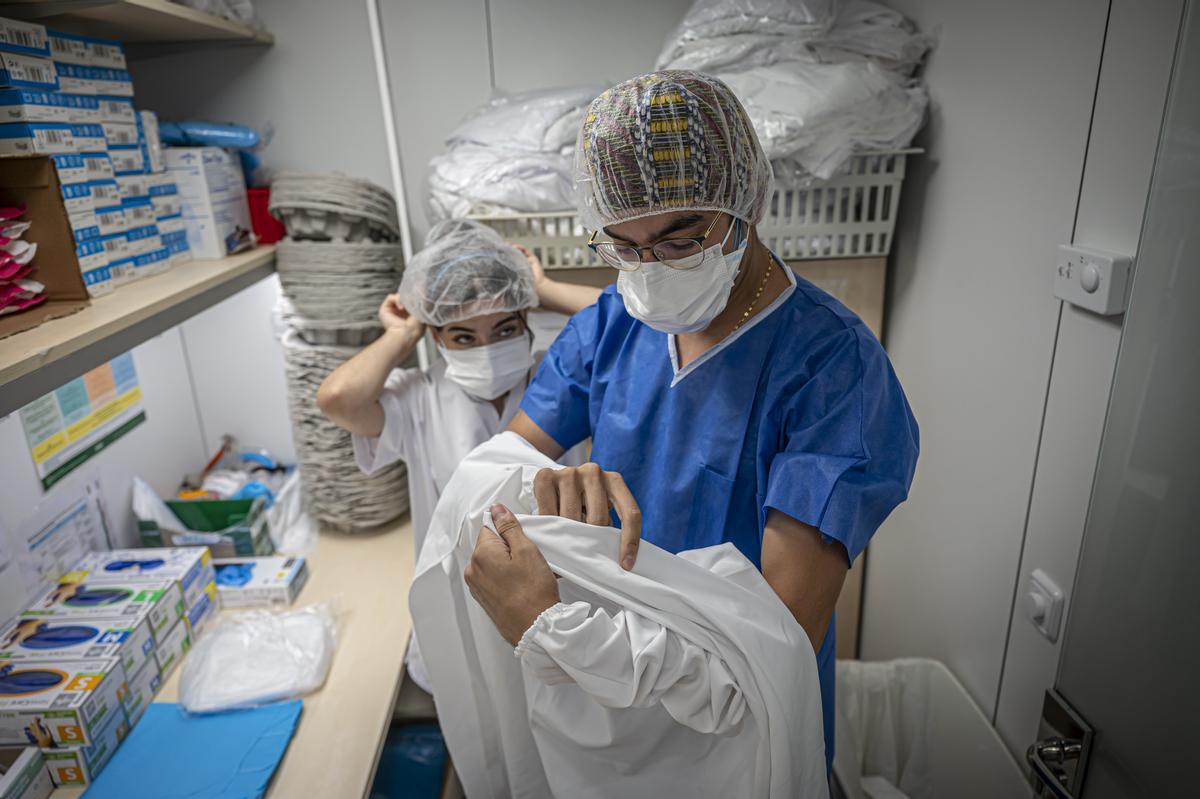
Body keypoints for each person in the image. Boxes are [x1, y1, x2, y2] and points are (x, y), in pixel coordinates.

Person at [461, 70, 920, 772]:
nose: (650, 270)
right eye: (622, 245)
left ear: (748, 203)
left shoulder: (832, 369)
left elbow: (769, 650)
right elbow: (497, 469)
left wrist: (565, 635)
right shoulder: (613, 325)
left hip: (739, 731)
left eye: (681, 241)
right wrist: (544, 488)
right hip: (615, 698)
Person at [317, 219, 599, 691]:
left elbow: (633, 327)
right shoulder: (418, 398)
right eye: (463, 336)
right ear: (437, 337)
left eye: (505, 329)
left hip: (560, 598)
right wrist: (403, 333)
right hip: (462, 602)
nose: (486, 350)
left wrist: (543, 287)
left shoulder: (557, 380)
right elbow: (338, 399)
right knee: (486, 736)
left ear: (527, 322)